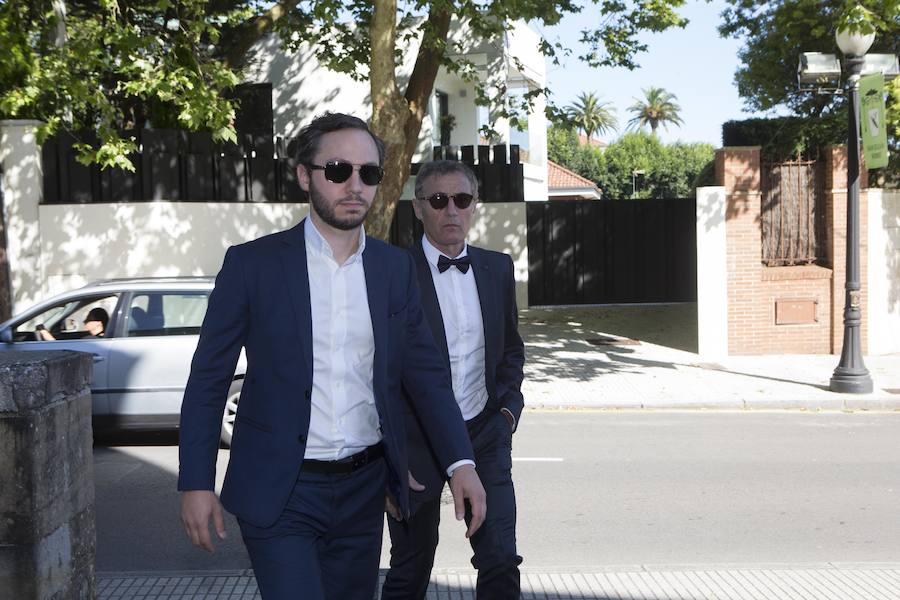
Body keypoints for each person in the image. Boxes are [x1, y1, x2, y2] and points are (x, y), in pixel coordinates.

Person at [177, 113, 487, 600]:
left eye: (369, 173)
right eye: (339, 169)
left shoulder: (392, 270)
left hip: (364, 492)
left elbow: (425, 376)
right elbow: (208, 381)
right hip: (281, 492)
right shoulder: (252, 265)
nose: (355, 185)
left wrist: (460, 463)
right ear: (305, 175)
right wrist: (195, 482)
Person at [382, 160, 525, 600]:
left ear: (474, 206)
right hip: (415, 441)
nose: (452, 211)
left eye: (462, 200)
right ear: (419, 207)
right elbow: (376, 368)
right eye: (439, 200)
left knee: (500, 558)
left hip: (484, 432)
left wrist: (507, 413)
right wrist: (388, 454)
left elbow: (511, 351)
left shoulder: (497, 268)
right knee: (412, 565)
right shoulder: (392, 271)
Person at [37, 306, 108, 340]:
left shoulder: (91, 340)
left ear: (98, 323)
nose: (84, 321)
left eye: (88, 319)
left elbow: (60, 349)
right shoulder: (98, 338)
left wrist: (43, 331)